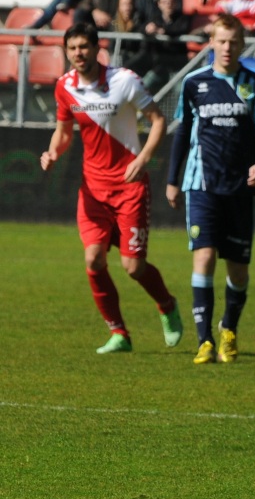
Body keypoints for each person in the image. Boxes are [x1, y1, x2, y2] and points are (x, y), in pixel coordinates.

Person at [40, 22, 183, 354]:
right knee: (93, 260)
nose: (79, 53)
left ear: (96, 48)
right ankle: (119, 333)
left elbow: (158, 120)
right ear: (66, 51)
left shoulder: (124, 81)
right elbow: (63, 133)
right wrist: (52, 153)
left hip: (129, 187)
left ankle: (166, 304)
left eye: (84, 47)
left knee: (133, 267)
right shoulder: (65, 87)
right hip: (92, 190)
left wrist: (144, 158)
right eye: (72, 48)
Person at [166, 14, 255, 364]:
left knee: (238, 269)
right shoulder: (194, 84)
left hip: (240, 189)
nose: (227, 47)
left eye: (233, 41)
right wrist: (172, 178)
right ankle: (204, 341)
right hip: (201, 185)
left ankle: (228, 327)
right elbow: (183, 132)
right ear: (211, 42)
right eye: (221, 40)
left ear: (242, 44)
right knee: (204, 255)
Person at [138, 0, 191, 94]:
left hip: (178, 68)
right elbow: (141, 28)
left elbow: (180, 29)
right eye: (165, 2)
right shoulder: (155, 18)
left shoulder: (182, 18)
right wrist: (148, 29)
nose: (168, 4)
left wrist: (163, 31)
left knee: (180, 92)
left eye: (171, 1)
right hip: (160, 68)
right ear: (159, 4)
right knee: (141, 88)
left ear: (175, 3)